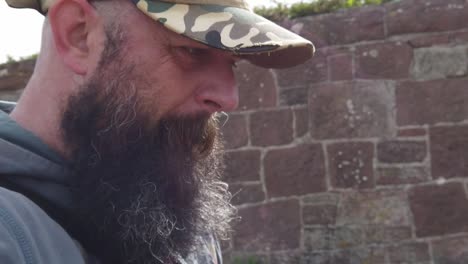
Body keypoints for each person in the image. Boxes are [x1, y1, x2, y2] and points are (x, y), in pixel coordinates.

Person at [0, 0, 314, 263]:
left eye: (232, 63)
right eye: (191, 52)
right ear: (78, 35)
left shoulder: (166, 215)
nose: (228, 98)